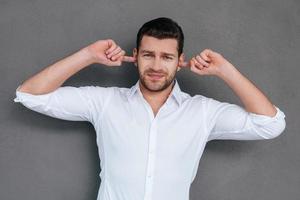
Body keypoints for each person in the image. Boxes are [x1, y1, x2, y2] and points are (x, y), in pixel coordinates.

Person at [13, 17, 286, 200]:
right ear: (135, 57)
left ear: (180, 61)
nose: (156, 66)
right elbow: (30, 95)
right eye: (148, 55)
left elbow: (270, 123)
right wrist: (88, 55)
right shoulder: (106, 102)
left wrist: (225, 70)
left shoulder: (202, 112)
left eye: (166, 57)